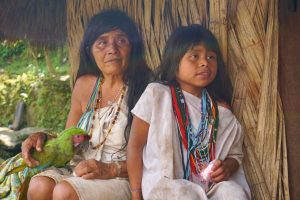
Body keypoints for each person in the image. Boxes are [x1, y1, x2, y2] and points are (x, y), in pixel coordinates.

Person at [21, 9, 151, 200]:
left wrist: (110, 169)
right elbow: (68, 140)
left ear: (133, 47)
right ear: (89, 50)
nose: (112, 49)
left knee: (64, 192)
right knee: (39, 185)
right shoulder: (85, 85)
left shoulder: (147, 88)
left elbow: (156, 155)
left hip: (121, 177)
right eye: (102, 42)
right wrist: (42, 139)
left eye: (121, 40)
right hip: (79, 169)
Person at [127, 24, 251, 200]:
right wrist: (136, 194)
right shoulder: (157, 95)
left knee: (233, 193)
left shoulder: (220, 112)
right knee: (183, 193)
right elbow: (135, 146)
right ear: (174, 61)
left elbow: (235, 155)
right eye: (194, 56)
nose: (204, 63)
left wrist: (227, 167)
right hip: (166, 190)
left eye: (211, 57)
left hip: (208, 189)